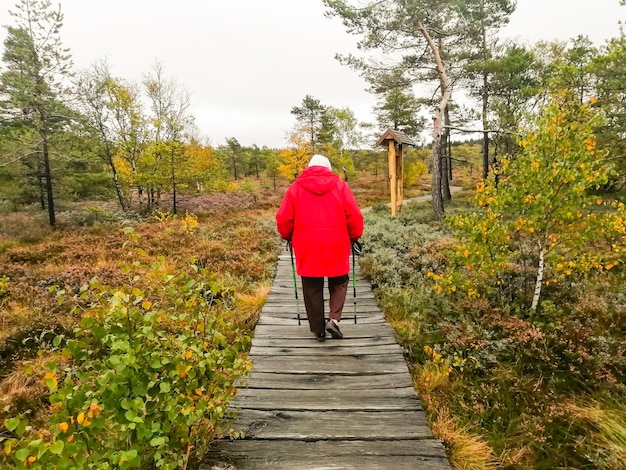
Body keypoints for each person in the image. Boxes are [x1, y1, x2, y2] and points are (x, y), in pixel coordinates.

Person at [276, 154, 364, 342]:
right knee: (339, 280)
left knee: (311, 286)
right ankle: (334, 319)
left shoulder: (295, 189)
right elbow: (354, 215)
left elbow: (284, 218)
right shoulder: (341, 186)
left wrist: (287, 236)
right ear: (328, 168)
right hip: (336, 241)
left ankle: (318, 329)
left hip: (307, 244)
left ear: (308, 168)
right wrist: (355, 236)